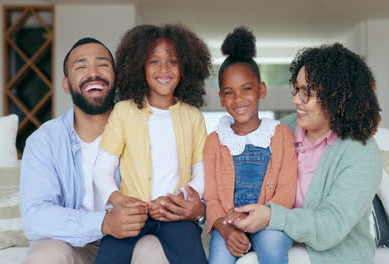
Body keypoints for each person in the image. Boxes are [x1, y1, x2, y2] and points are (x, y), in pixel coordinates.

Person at [232, 43, 383, 264]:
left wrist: (272, 217)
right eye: (297, 89)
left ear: (337, 97)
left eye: (307, 93)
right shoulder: (284, 129)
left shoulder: (362, 152)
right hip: (279, 242)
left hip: (335, 256)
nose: (295, 100)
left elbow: (331, 226)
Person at [19, 38, 151, 264]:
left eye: (103, 65)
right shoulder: (44, 141)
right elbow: (35, 216)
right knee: (46, 255)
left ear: (115, 78)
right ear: (67, 84)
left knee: (154, 250)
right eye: (81, 67)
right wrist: (104, 223)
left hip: (132, 240)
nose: (93, 73)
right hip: (71, 244)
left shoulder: (144, 129)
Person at [92, 24, 211, 264]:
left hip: (175, 214)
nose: (164, 69)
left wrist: (176, 199)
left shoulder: (193, 117)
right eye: (154, 61)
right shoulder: (123, 112)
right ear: (139, 67)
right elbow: (102, 170)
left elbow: (201, 174)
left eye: (173, 62)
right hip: (131, 214)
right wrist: (120, 201)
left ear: (186, 67)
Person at [203, 27, 297, 264]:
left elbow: (287, 190)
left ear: (261, 90)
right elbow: (211, 198)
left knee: (272, 246)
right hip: (229, 223)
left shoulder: (281, 134)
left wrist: (263, 216)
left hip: (269, 220)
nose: (239, 99)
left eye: (246, 89)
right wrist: (225, 229)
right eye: (229, 92)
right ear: (222, 98)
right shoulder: (215, 141)